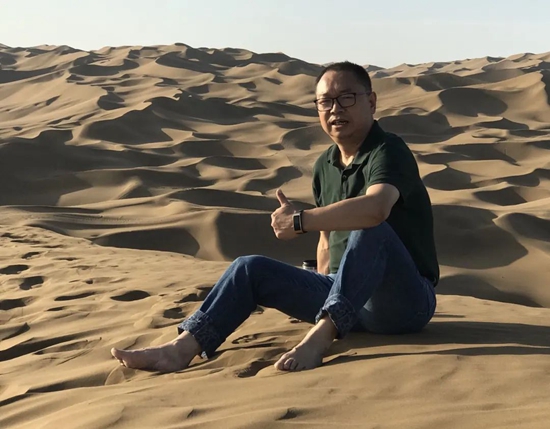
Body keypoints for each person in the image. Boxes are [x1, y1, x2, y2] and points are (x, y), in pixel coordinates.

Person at [111, 61, 439, 373]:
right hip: (345, 300)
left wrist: (299, 221)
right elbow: (326, 242)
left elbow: (375, 209)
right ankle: (181, 348)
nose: (335, 109)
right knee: (249, 268)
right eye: (325, 101)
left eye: (347, 98)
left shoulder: (388, 150)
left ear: (371, 102)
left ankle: (320, 339)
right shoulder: (324, 165)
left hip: (402, 303)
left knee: (371, 229)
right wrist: (319, 285)